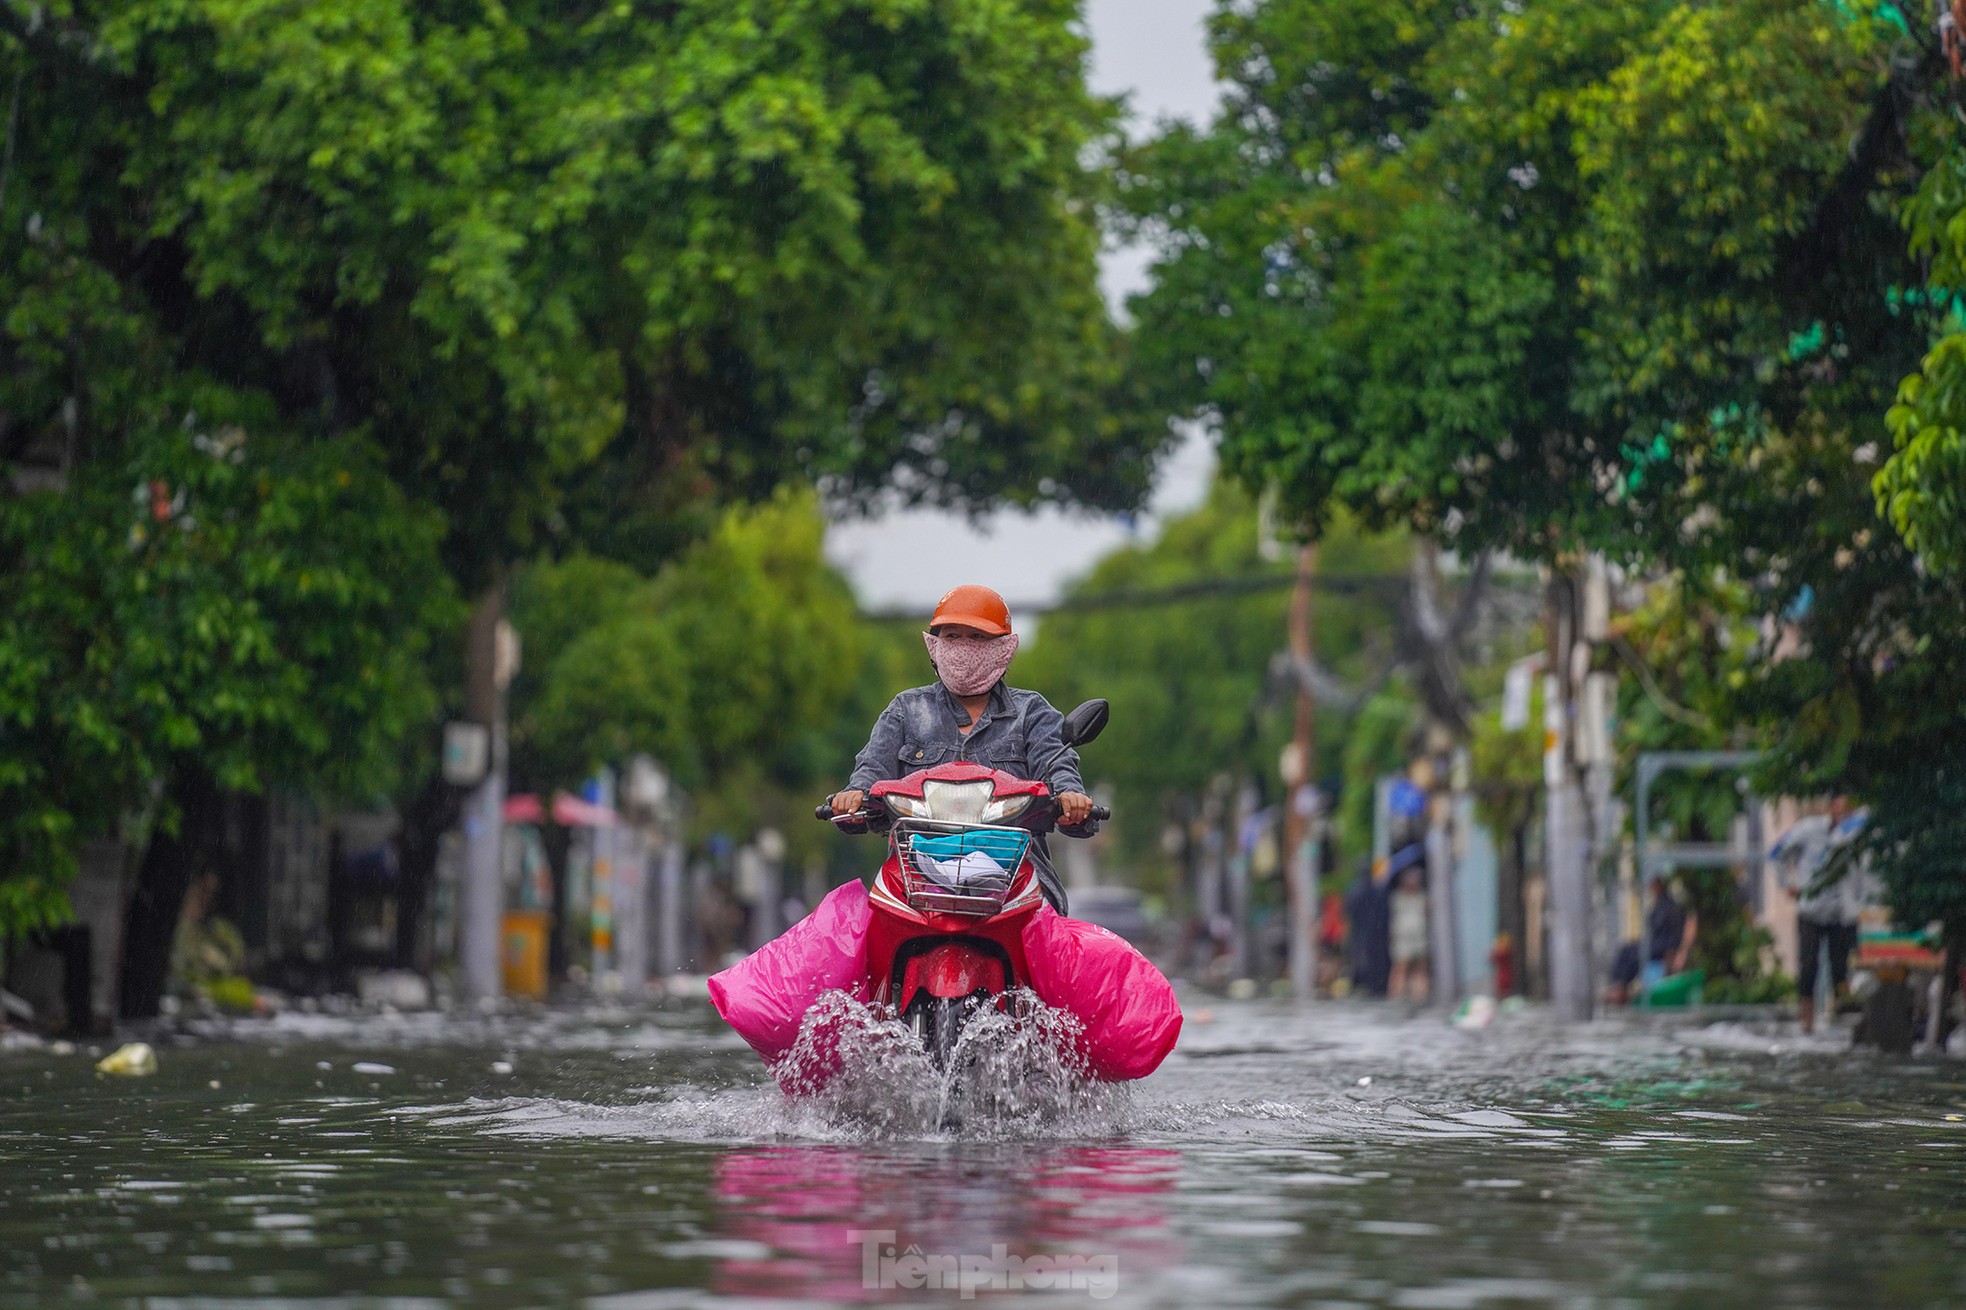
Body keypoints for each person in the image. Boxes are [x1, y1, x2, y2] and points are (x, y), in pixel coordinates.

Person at [829, 584, 1095, 913]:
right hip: (916, 883)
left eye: (977, 637)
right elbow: (871, 771)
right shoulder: (906, 710)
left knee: (1060, 954)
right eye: (952, 637)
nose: (962, 647)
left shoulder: (1032, 713)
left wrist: (1071, 797)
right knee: (863, 942)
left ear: (1003, 648)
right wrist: (854, 796)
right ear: (935, 646)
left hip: (1016, 884)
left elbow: (1058, 765)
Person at [1773, 797, 1870, 1034]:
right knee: (1808, 968)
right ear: (1831, 808)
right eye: (1840, 806)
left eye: (1849, 808)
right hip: (1812, 910)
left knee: (1844, 967)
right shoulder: (1809, 829)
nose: (1844, 812)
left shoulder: (1858, 831)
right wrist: (1788, 883)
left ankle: (1845, 1022)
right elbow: (1778, 852)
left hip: (1843, 912)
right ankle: (1807, 1024)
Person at [1388, 864, 1430, 1002]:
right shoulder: (1397, 897)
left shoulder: (1422, 896)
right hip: (1403, 937)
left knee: (1420, 966)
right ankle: (1396, 994)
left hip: (1419, 936)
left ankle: (1420, 995)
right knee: (1401, 966)